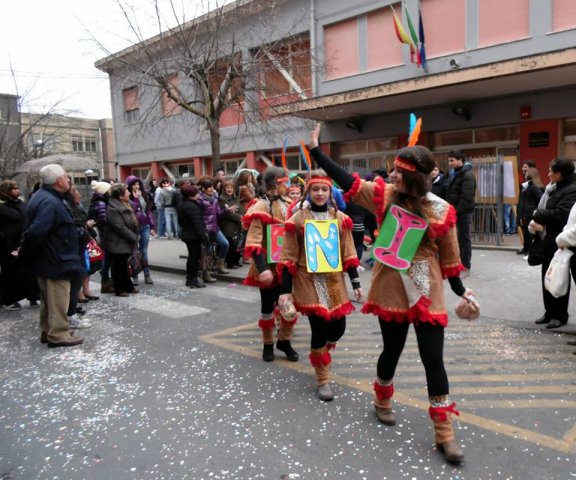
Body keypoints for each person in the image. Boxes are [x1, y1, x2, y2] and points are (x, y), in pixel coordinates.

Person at [309, 123, 478, 464]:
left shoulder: (442, 211)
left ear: (416, 178)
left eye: (400, 172)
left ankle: (445, 432)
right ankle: (382, 399)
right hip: (390, 287)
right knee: (393, 348)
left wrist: (462, 291)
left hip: (427, 290)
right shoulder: (383, 195)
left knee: (434, 358)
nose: (393, 176)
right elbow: (348, 181)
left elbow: (450, 258)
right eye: (394, 170)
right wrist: (316, 152)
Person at [278, 174, 362, 401]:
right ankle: (323, 379)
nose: (319, 194)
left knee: (338, 329)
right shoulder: (297, 220)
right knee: (320, 328)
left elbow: (348, 252)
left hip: (334, 281)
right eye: (315, 189)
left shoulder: (340, 218)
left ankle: (321, 353)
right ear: (308, 193)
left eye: (324, 190)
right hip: (308, 280)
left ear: (330, 193)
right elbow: (288, 257)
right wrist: (285, 291)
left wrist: (355, 283)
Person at [20, 164, 84, 348]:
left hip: (50, 257)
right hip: (55, 258)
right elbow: (36, 232)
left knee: (49, 299)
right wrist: (27, 253)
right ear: (58, 181)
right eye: (66, 177)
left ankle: (48, 330)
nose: (69, 180)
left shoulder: (44, 197)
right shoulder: (49, 201)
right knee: (58, 299)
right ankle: (58, 333)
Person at [243, 166, 299, 362]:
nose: (289, 186)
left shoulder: (291, 204)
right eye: (285, 182)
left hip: (286, 266)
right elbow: (253, 240)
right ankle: (268, 344)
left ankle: (284, 341)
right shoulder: (259, 206)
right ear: (276, 184)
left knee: (288, 307)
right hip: (266, 266)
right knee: (268, 308)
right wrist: (263, 269)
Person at [528, 158, 576, 330]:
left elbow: (561, 214)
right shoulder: (554, 189)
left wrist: (538, 214)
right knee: (547, 277)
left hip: (561, 242)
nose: (547, 174)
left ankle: (560, 315)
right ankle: (549, 312)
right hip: (548, 241)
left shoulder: (571, 190)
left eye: (550, 171)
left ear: (559, 174)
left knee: (560, 279)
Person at [0, 180, 39, 310]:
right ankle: (9, 300)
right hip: (8, 246)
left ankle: (33, 296)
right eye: (14, 188)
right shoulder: (2, 208)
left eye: (17, 188)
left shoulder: (22, 204)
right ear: (6, 191)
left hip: (23, 243)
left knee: (29, 271)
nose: (17, 190)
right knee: (10, 274)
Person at [63, 184, 94, 330]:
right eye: (75, 191)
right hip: (72, 250)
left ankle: (72, 312)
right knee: (73, 284)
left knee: (77, 281)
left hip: (79, 247)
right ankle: (70, 315)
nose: (79, 194)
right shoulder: (65, 207)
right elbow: (70, 228)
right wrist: (84, 229)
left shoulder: (76, 206)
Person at [105, 183, 140, 297]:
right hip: (118, 241)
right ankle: (119, 288)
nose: (129, 193)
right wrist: (133, 237)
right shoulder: (113, 209)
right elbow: (119, 227)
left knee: (125, 264)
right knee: (118, 266)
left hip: (126, 240)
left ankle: (128, 285)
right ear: (120, 196)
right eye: (126, 191)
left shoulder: (127, 205)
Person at [446, 150, 476, 278]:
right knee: (457, 239)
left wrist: (456, 212)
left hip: (463, 212)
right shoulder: (456, 173)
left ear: (460, 160)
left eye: (452, 160)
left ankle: (466, 266)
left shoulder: (467, 174)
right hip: (455, 211)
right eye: (449, 160)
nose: (450, 163)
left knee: (464, 239)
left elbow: (467, 197)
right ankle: (458, 264)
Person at [198, 177, 233, 275]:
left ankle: (219, 265)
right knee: (208, 250)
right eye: (209, 187)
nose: (211, 189)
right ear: (203, 189)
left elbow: (218, 213)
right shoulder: (199, 199)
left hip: (215, 227)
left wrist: (227, 210)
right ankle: (207, 270)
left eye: (212, 187)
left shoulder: (215, 198)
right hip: (205, 228)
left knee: (225, 244)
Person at [127, 176, 155, 285]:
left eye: (138, 184)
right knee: (134, 251)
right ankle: (135, 276)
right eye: (134, 184)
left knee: (144, 251)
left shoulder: (144, 195)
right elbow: (131, 212)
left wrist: (152, 226)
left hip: (145, 225)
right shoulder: (127, 196)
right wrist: (135, 199)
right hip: (133, 226)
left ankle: (147, 274)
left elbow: (148, 211)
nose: (136, 186)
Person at [178, 184, 208, 288]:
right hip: (193, 236)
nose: (198, 194)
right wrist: (204, 238)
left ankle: (190, 278)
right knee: (194, 258)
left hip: (187, 234)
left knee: (192, 257)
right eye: (196, 193)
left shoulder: (183, 203)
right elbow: (198, 224)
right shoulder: (192, 206)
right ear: (190, 195)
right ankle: (193, 280)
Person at [89, 181, 113, 293]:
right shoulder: (101, 203)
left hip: (104, 234)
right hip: (106, 234)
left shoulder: (99, 201)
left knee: (107, 259)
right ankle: (105, 282)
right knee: (107, 259)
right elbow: (104, 220)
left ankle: (106, 281)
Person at [516, 167, 544, 257]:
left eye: (527, 173)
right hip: (525, 212)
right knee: (525, 231)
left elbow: (540, 200)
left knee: (529, 233)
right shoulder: (526, 186)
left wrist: (533, 210)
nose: (525, 174)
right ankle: (526, 248)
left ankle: (530, 251)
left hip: (530, 213)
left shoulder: (534, 187)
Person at [218, 180, 243, 269]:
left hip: (236, 224)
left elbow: (240, 208)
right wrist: (240, 217)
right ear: (224, 189)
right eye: (227, 187)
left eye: (231, 188)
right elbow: (228, 213)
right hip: (228, 224)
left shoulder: (235, 198)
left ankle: (236, 260)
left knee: (237, 243)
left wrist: (241, 215)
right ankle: (230, 262)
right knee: (230, 242)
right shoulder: (221, 198)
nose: (230, 189)